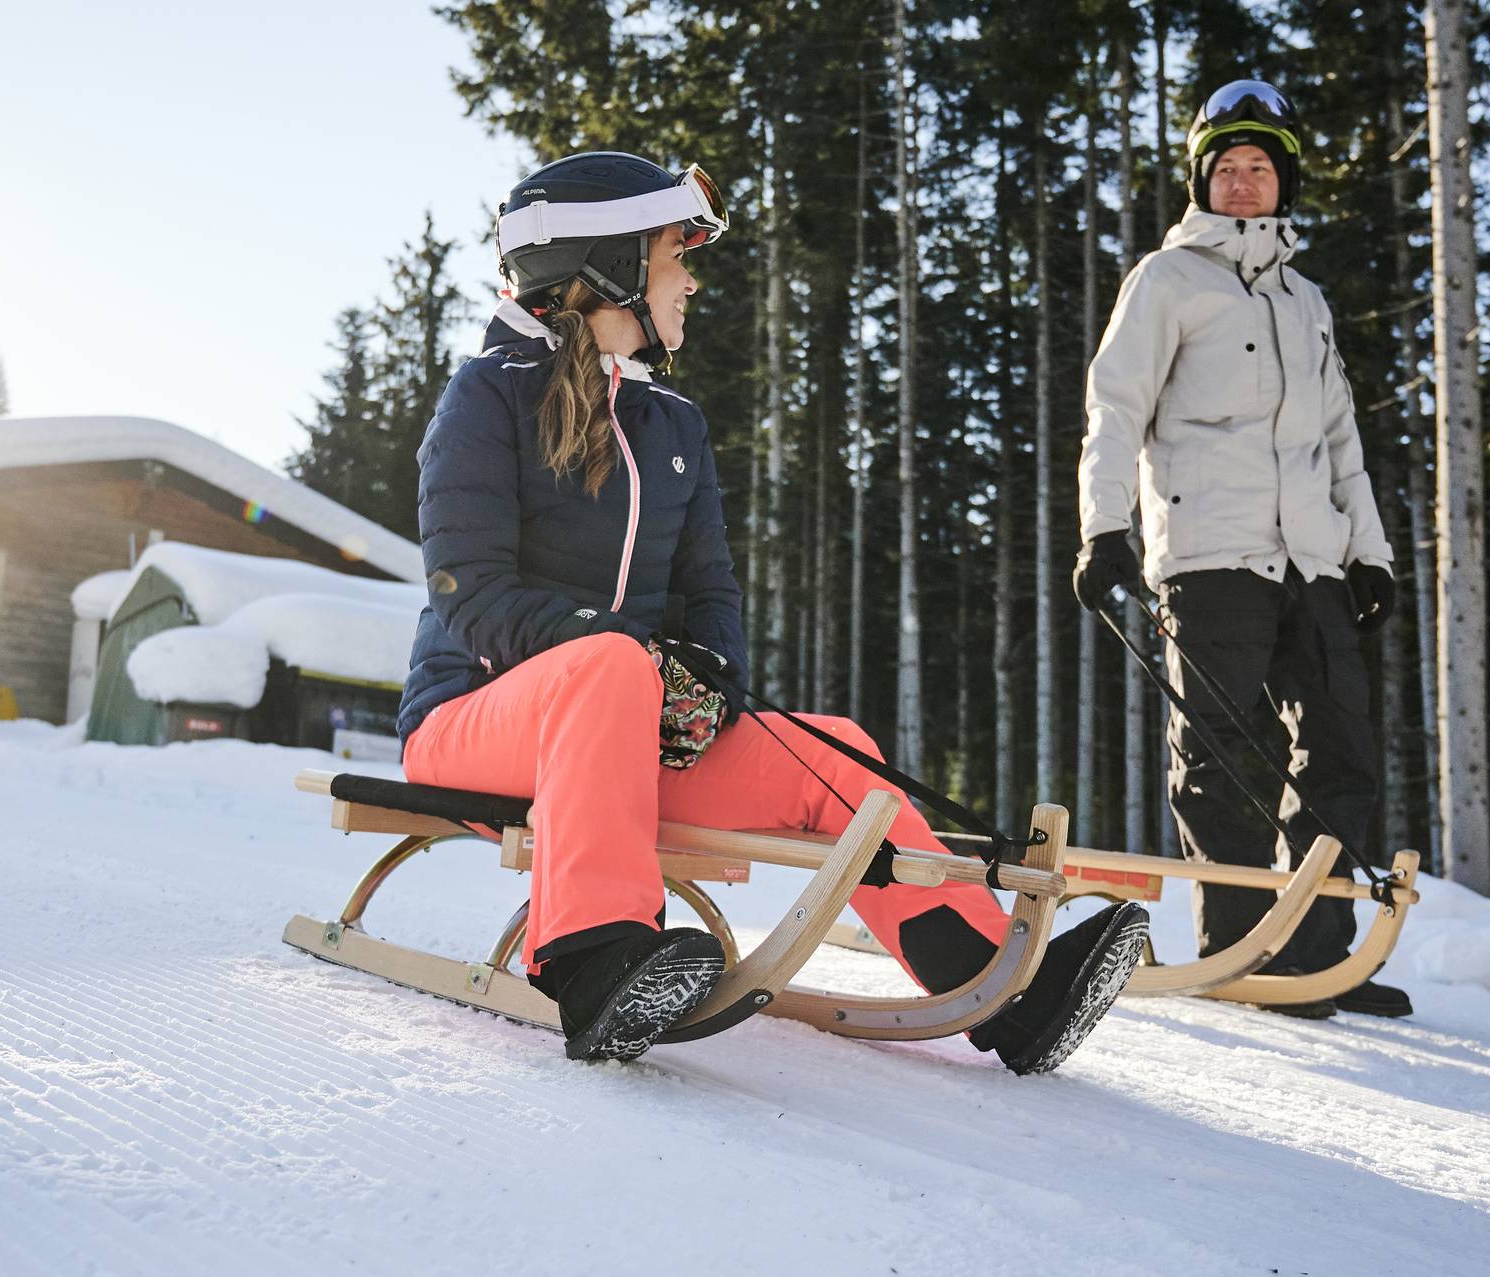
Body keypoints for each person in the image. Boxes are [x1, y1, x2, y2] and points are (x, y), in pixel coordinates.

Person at [399, 151, 1150, 1064]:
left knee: (830, 756)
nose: (692, 280)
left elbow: (711, 593)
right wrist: (622, 662)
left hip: (616, 730)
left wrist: (710, 686)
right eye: (677, 254)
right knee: (606, 668)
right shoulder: (485, 398)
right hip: (470, 729)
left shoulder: (672, 425)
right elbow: (467, 592)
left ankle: (995, 988)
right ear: (606, 262)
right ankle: (598, 960)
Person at [1070, 82, 1411, 1019]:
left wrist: (1370, 554)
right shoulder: (1167, 280)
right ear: (1202, 183)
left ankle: (1315, 952)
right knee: (1222, 752)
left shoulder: (1306, 302)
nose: (1246, 182)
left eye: (1261, 167)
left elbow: (1340, 440)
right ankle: (1234, 948)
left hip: (1314, 554)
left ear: (1284, 179)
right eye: (1228, 169)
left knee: (1342, 752)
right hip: (1210, 548)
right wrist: (1104, 530)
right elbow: (1116, 410)